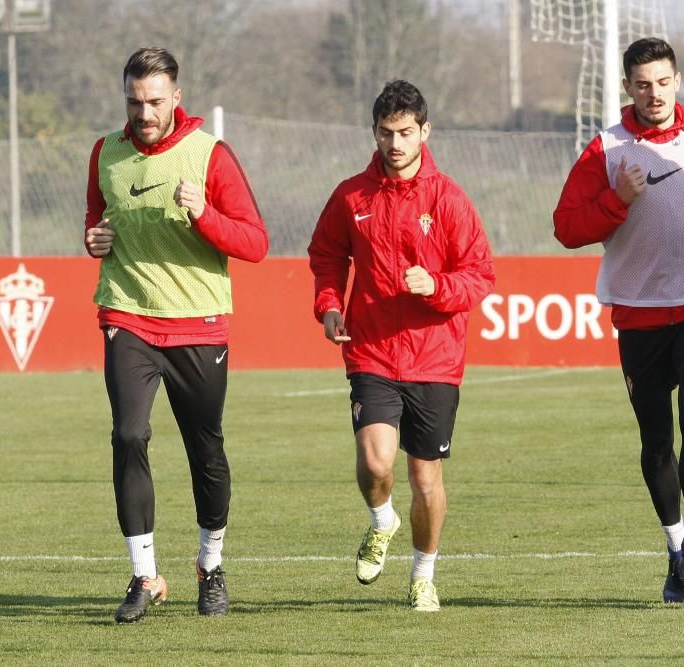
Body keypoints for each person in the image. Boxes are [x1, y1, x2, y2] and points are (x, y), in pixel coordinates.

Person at [553, 37, 684, 603]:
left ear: (678, 80)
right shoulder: (606, 149)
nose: (654, 93)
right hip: (638, 312)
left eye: (663, 82)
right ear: (627, 88)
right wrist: (616, 200)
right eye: (643, 84)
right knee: (655, 436)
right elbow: (567, 227)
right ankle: (673, 553)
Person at [84, 47, 268, 623]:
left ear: (177, 98)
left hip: (198, 323)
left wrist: (205, 215)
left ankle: (210, 567)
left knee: (205, 449)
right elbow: (96, 221)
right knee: (128, 435)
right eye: (135, 102)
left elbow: (256, 243)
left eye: (155, 102)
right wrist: (92, 241)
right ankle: (145, 576)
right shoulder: (105, 153)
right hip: (128, 316)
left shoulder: (209, 154)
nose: (144, 113)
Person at [308, 80, 495, 612]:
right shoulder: (351, 196)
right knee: (375, 463)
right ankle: (380, 519)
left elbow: (480, 275)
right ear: (374, 132)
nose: (395, 143)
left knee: (424, 475)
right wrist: (328, 305)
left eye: (406, 133)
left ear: (424, 132)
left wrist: (436, 287)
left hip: (435, 358)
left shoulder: (449, 198)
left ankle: (423, 574)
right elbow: (326, 256)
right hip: (370, 350)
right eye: (387, 133)